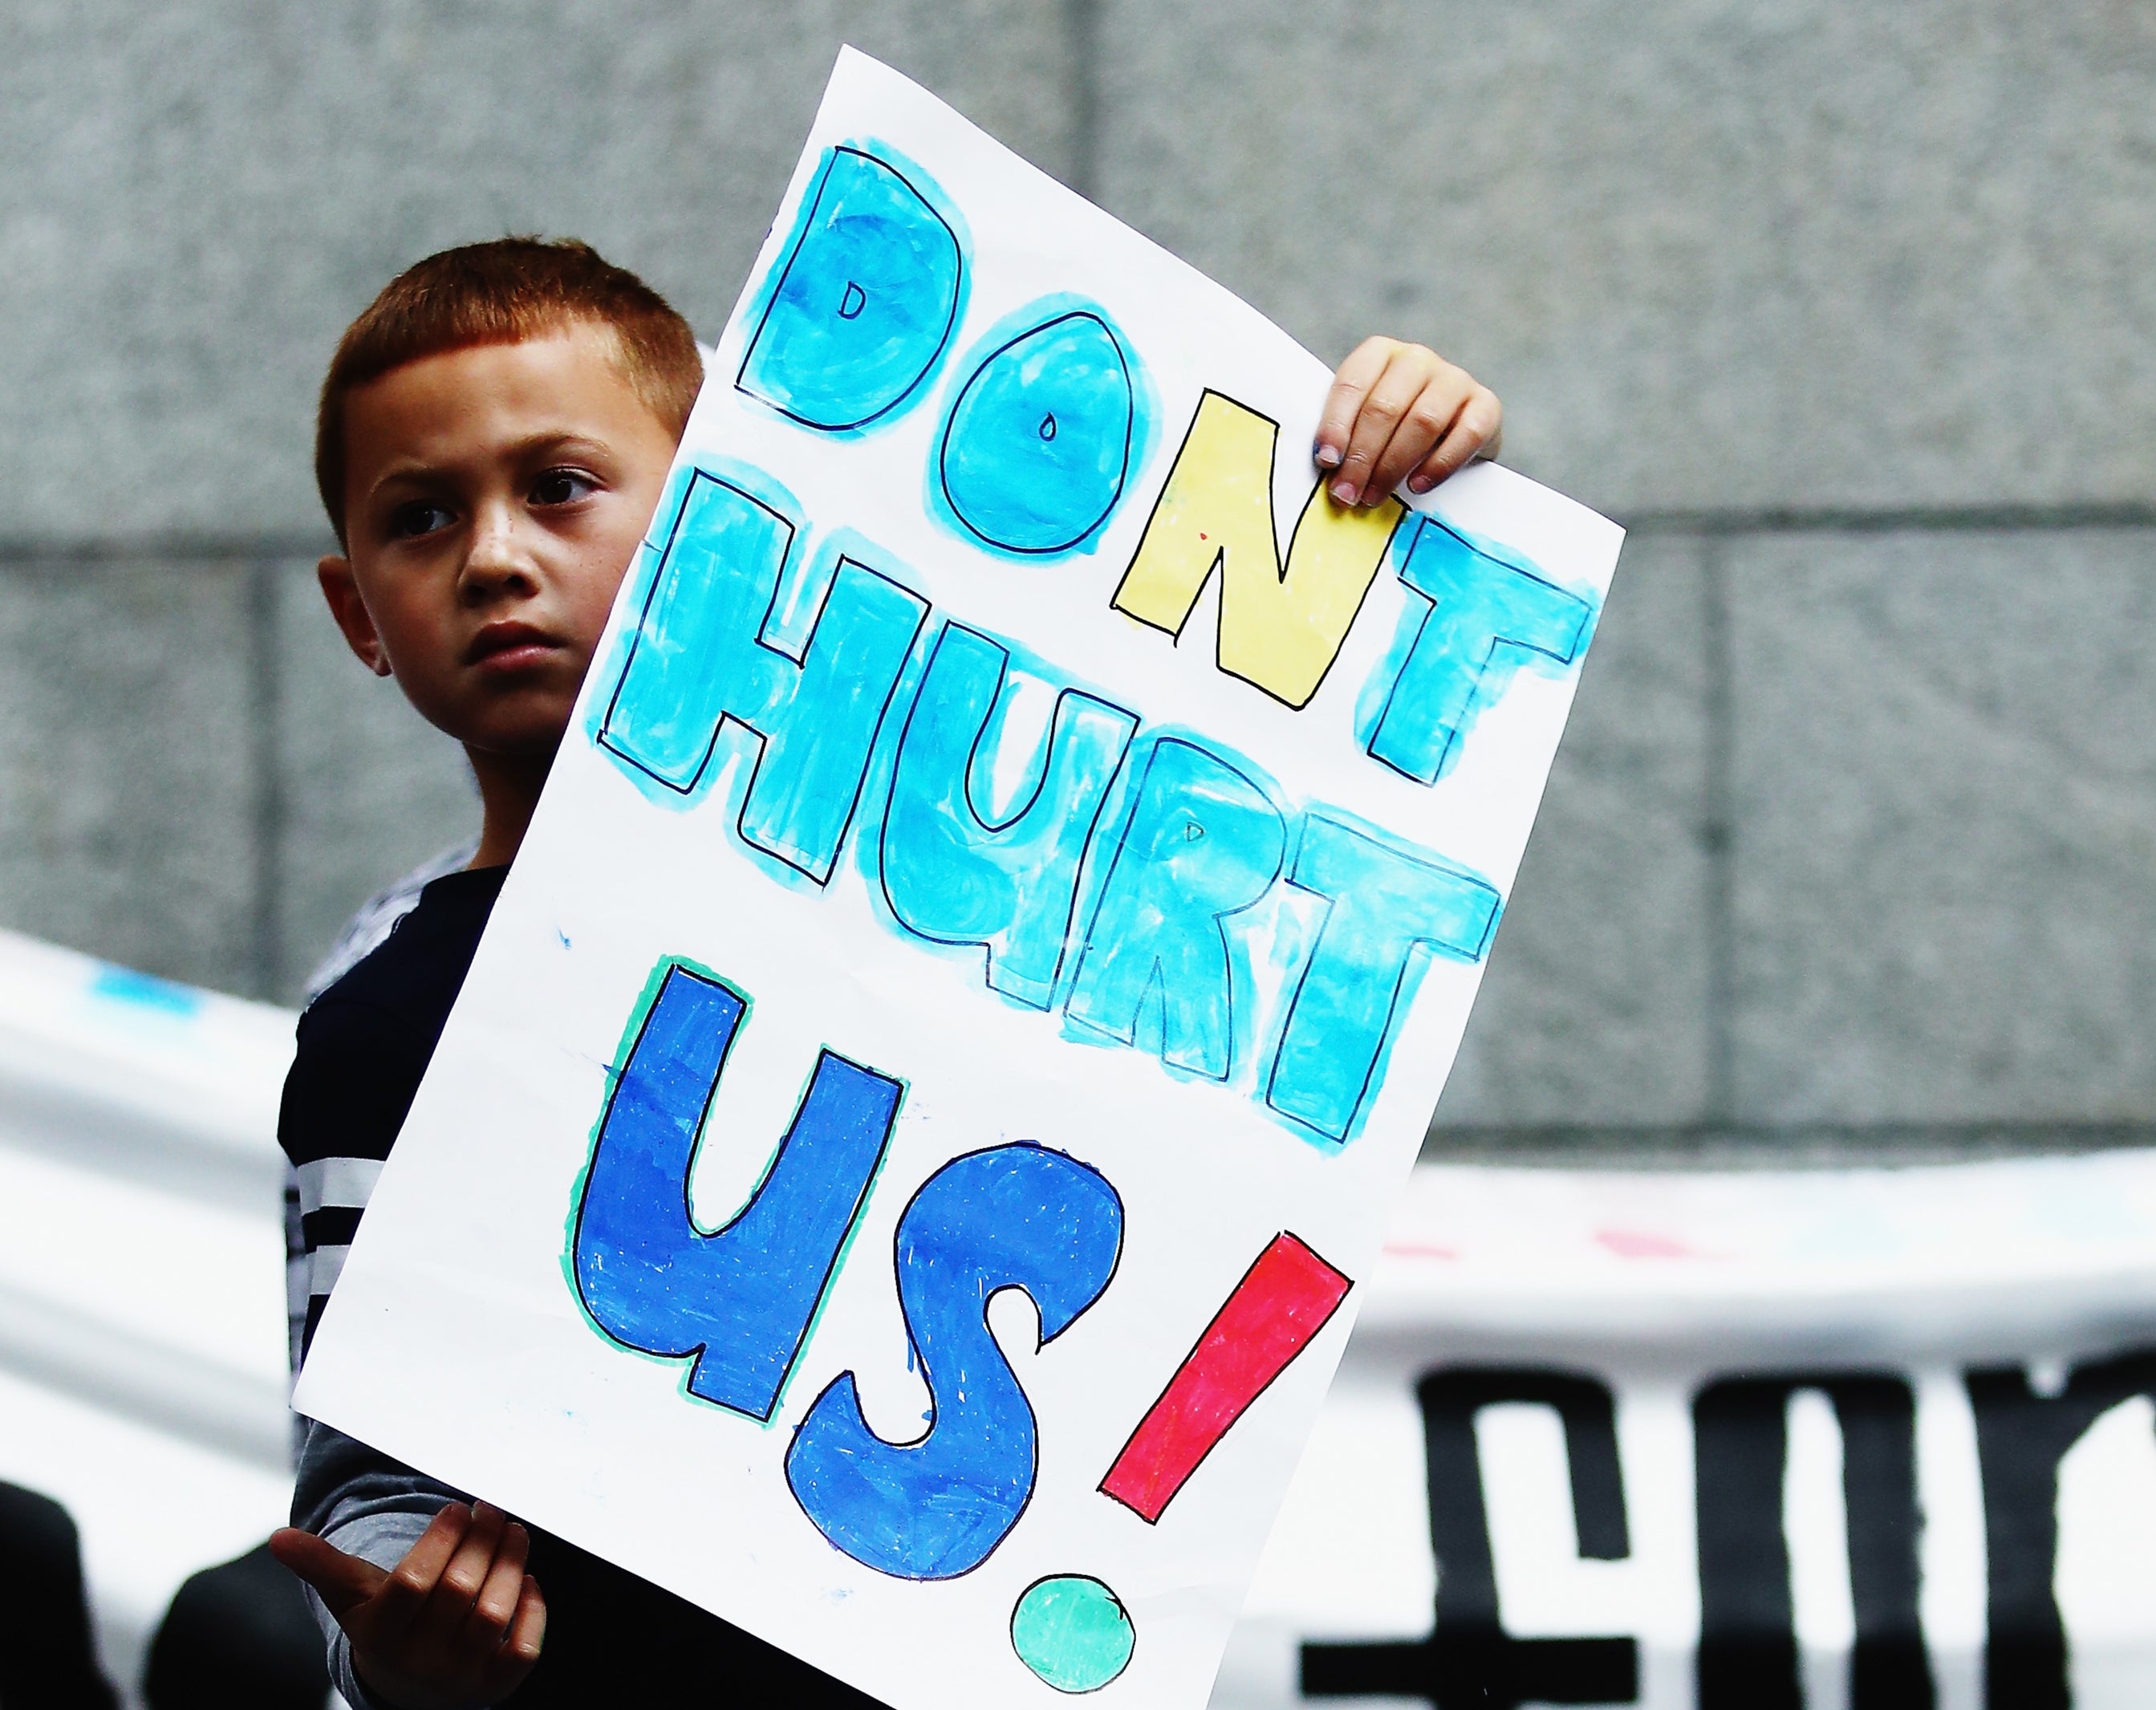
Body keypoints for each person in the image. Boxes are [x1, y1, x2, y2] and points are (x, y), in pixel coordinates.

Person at [270, 235, 1505, 1709]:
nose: (493, 556)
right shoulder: (387, 1026)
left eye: (560, 487)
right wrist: (407, 1658)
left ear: (721, 497)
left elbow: (1266, 787)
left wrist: (1405, 469)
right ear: (358, 615)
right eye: (420, 518)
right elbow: (369, 1482)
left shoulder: (986, 911)